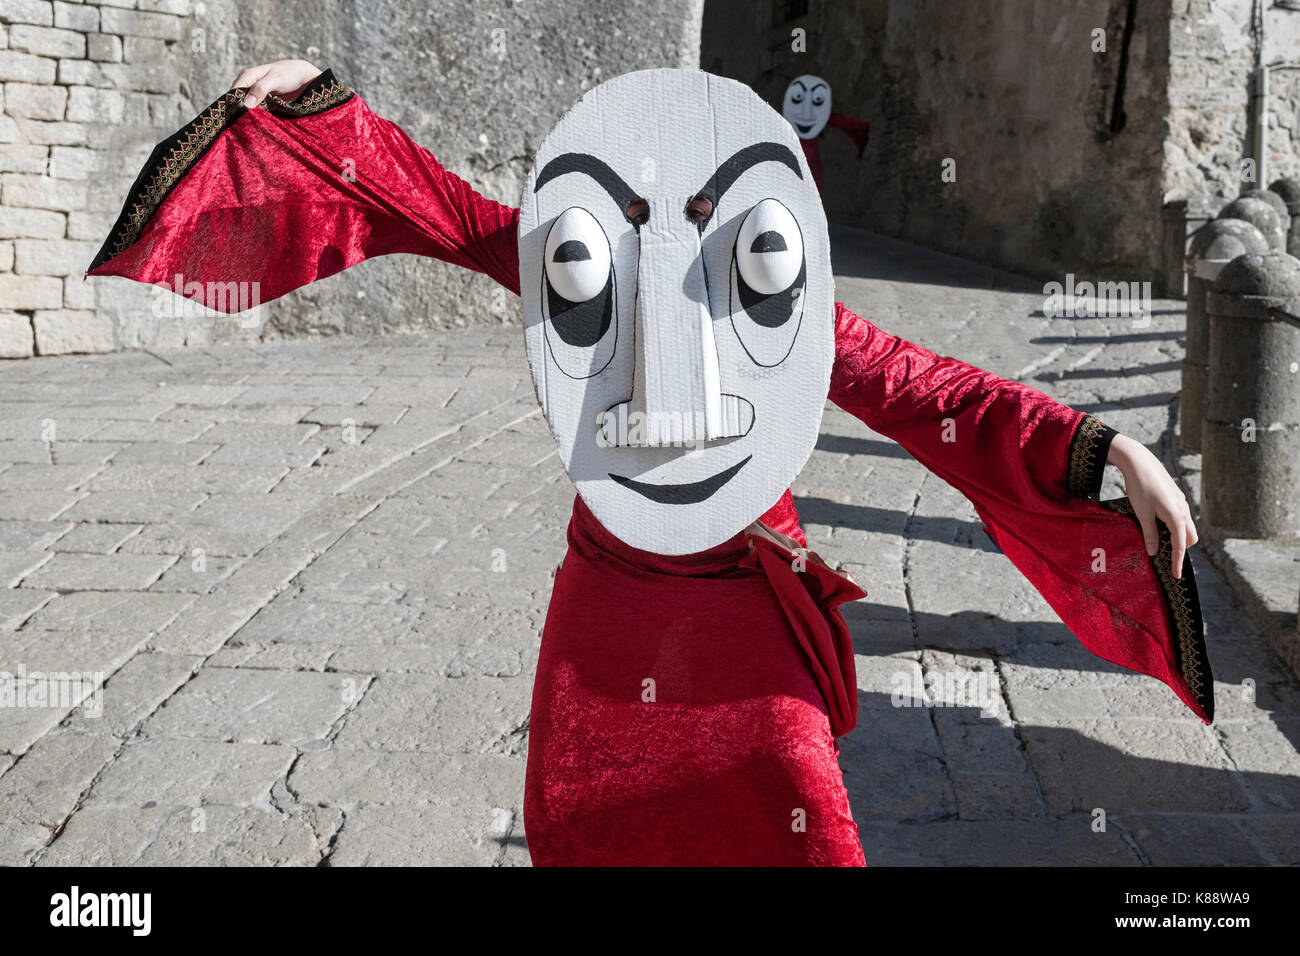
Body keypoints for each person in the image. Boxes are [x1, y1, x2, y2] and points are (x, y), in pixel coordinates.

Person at [88, 59, 1208, 867]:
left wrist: (1112, 450)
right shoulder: (566, 268)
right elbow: (422, 202)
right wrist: (317, 106)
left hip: (746, 615)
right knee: (593, 831)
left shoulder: (789, 305)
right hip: (608, 617)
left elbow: (938, 394)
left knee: (802, 823)